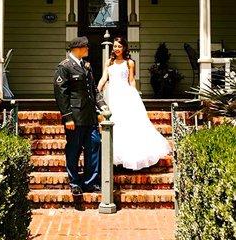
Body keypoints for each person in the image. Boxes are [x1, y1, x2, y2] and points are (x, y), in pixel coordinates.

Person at [98, 36, 171, 170]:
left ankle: (128, 155)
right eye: (115, 46)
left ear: (124, 47)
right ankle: (113, 155)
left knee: (127, 123)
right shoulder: (109, 62)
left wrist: (134, 94)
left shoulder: (129, 62)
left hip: (125, 94)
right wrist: (97, 90)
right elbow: (104, 77)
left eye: (119, 46)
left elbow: (131, 80)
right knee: (113, 121)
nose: (117, 49)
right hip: (112, 95)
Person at [54, 36, 106, 195]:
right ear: (77, 48)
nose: (88, 49)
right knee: (74, 149)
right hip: (75, 117)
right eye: (86, 47)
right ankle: (75, 183)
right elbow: (61, 94)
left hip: (90, 116)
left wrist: (103, 107)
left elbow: (94, 90)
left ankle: (90, 182)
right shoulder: (64, 67)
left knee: (94, 144)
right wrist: (67, 117)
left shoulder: (87, 66)